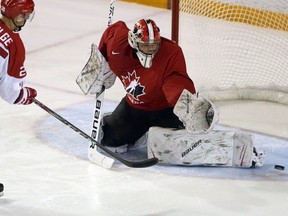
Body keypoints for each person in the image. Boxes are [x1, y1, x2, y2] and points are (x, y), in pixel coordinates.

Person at [96, 18, 197, 151]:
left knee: (176, 147)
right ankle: (131, 130)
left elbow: (176, 80)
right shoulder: (118, 45)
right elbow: (112, 30)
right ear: (133, 41)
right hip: (134, 109)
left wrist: (184, 104)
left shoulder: (171, 52)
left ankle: (146, 132)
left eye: (154, 45)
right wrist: (99, 61)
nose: (150, 49)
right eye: (145, 45)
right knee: (110, 140)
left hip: (165, 111)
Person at [0, 0, 37, 105]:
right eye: (26, 16)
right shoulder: (14, 46)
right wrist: (24, 95)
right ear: (19, 17)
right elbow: (10, 94)